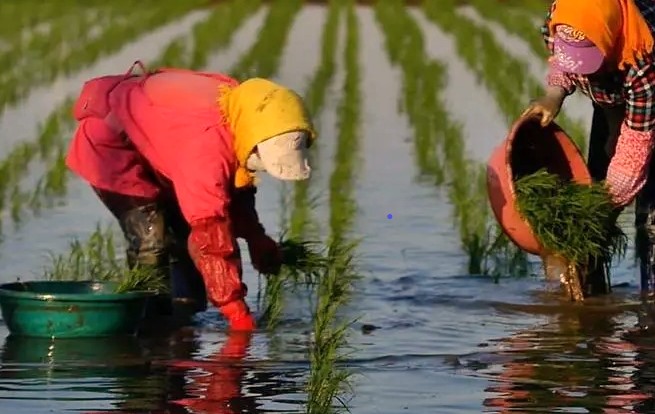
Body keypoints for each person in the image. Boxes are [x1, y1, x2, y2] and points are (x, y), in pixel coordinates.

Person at [65, 61, 317, 331]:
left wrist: (256, 237)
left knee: (184, 229)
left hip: (161, 143)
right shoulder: (206, 147)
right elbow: (211, 235)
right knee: (153, 240)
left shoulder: (245, 113)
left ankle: (187, 311)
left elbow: (232, 191)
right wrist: (235, 311)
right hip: (113, 149)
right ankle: (152, 323)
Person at [521, 0, 655, 292]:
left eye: (590, 55)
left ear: (607, 38)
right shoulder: (563, 22)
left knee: (650, 219)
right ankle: (593, 302)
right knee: (594, 179)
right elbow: (565, 63)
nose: (584, 68)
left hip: (646, 106)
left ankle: (650, 309)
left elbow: (634, 154)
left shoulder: (642, 61)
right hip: (619, 100)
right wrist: (553, 96)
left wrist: (599, 209)